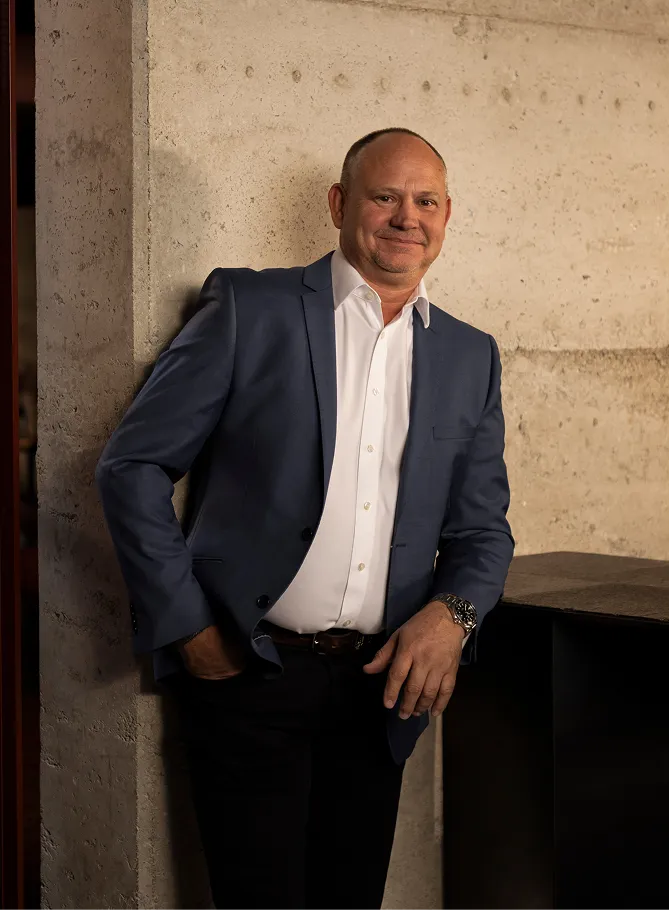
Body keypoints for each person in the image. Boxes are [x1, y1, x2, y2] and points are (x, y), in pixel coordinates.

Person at [96, 127, 514, 910]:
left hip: (381, 691)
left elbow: (482, 531)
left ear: (448, 215)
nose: (405, 217)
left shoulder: (469, 355)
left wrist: (451, 618)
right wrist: (190, 630)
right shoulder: (249, 308)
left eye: (425, 201)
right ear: (340, 204)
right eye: (384, 196)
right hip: (249, 675)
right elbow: (132, 466)